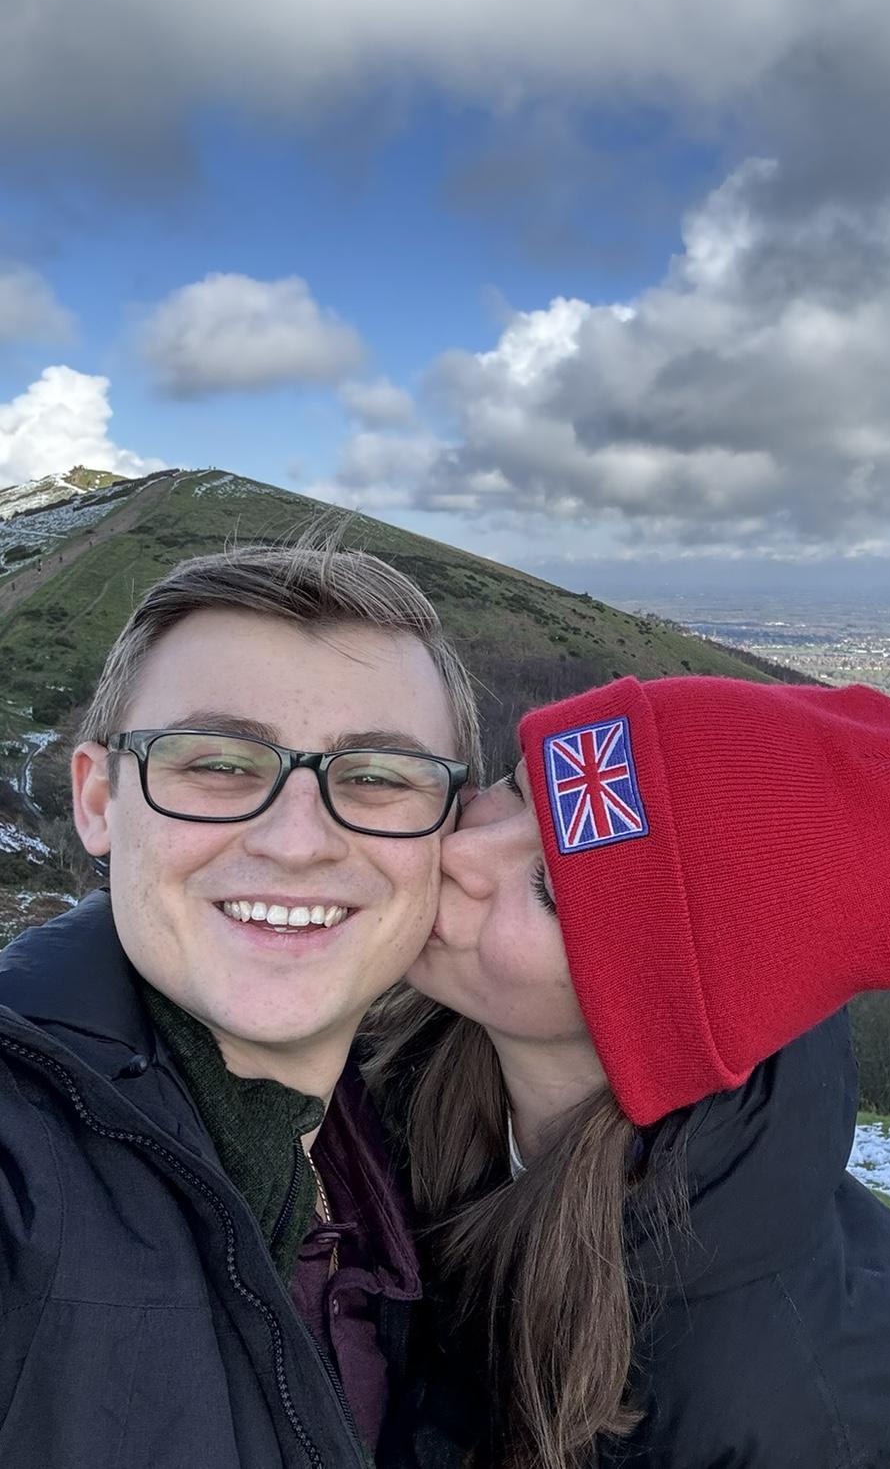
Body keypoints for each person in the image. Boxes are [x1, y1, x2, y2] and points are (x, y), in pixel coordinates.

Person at [372, 673, 890, 1469]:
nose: (457, 851)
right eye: (517, 789)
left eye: (549, 890)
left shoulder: (772, 1420)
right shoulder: (382, 1048)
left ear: (646, 1008)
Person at [0, 541, 482, 1468]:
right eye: (218, 764)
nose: (296, 841)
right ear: (98, 801)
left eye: (378, 777)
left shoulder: (439, 1154)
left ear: (447, 834)